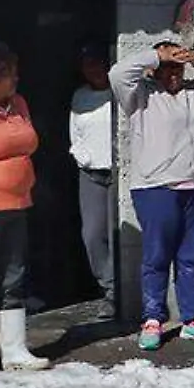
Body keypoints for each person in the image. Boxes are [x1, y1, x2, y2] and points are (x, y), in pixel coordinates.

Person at [111, 39, 194, 350]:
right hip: (157, 188)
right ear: (154, 71)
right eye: (167, 68)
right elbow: (118, 73)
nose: (173, 75)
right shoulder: (140, 95)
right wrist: (156, 55)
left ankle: (192, 318)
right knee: (157, 256)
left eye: (177, 68)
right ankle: (153, 318)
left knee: (191, 257)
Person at [0, 42, 47, 371]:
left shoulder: (19, 104)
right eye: (9, 73)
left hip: (17, 204)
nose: (16, 79)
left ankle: (14, 352)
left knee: (13, 275)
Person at [69, 43, 116, 319]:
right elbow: (75, 134)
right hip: (91, 174)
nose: (95, 70)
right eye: (88, 65)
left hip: (118, 174)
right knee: (93, 235)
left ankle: (118, 295)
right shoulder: (80, 96)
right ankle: (108, 288)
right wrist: (83, 158)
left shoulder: (118, 94)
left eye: (99, 63)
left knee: (117, 235)